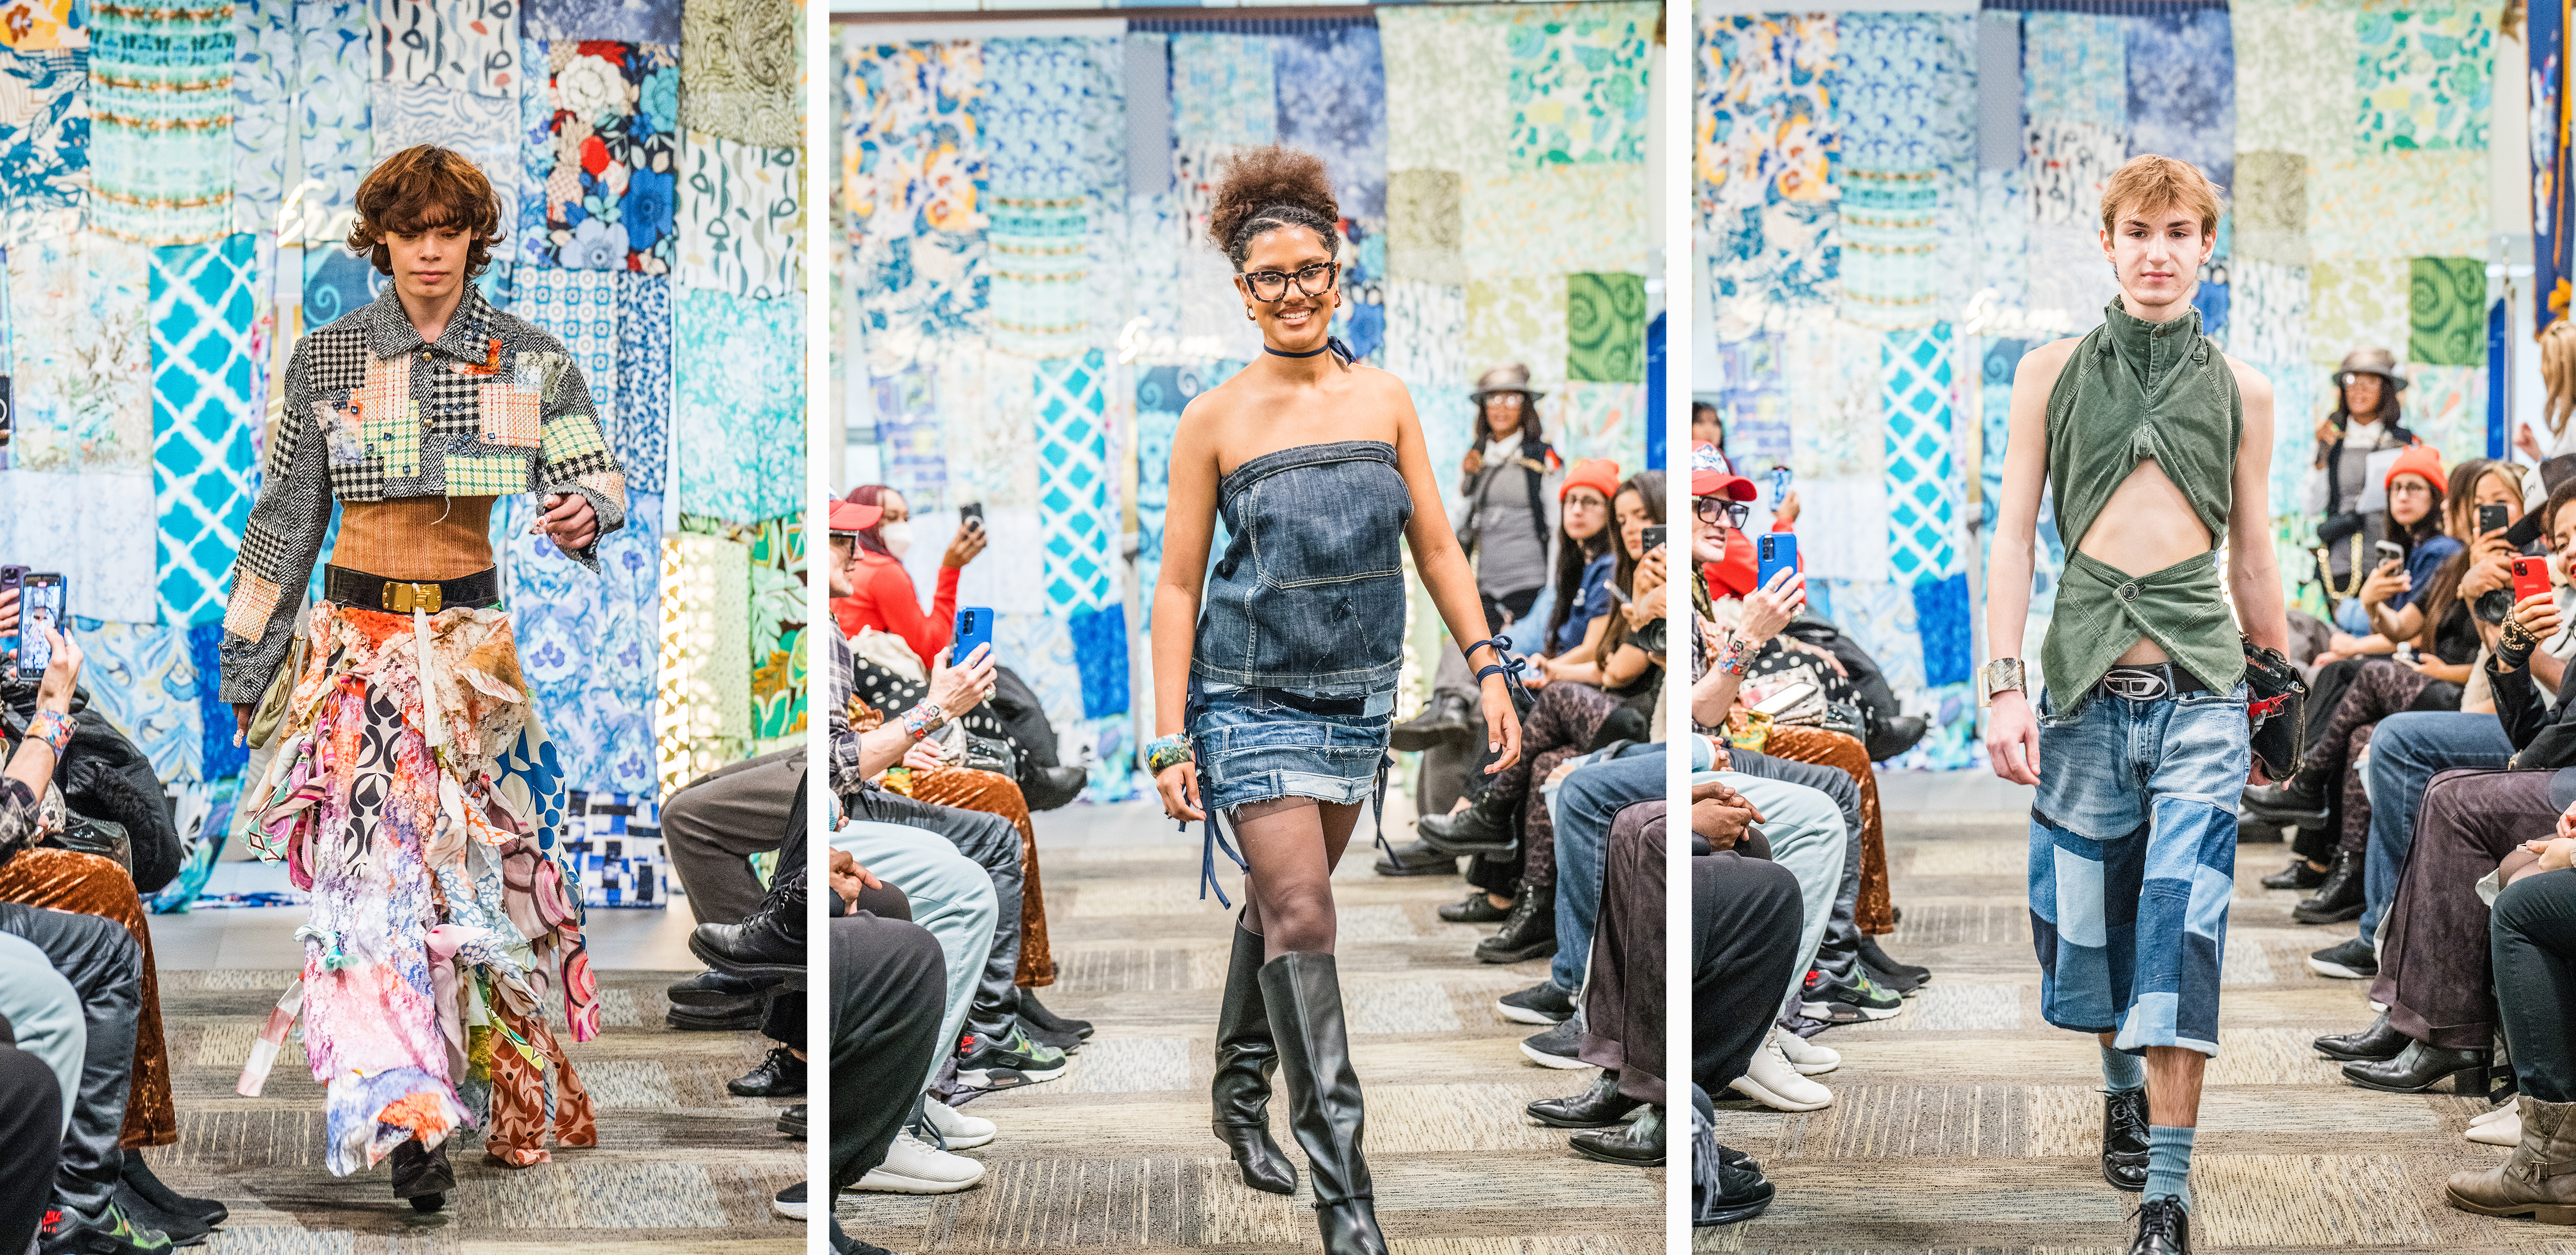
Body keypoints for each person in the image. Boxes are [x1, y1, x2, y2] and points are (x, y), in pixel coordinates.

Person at [217, 144, 615, 1205]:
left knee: (477, 885)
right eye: (410, 232)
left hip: (475, 668)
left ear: (473, 240)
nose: (430, 250)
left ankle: (457, 1081)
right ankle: (408, 1123)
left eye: (449, 231)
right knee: (369, 888)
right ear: (381, 240)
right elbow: (284, 525)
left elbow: (590, 473)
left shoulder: (523, 360)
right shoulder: (332, 359)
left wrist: (586, 511)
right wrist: (249, 660)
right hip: (358, 659)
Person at [1148, 144, 1524, 1255]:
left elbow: (1440, 549)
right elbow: (1175, 587)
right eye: (1270, 277)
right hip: (1248, 699)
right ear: (1241, 291)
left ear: (1338, 271)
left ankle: (1233, 1093)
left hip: (1356, 700)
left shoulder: (1385, 398)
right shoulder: (1213, 419)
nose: (1295, 291)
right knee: (1307, 912)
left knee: (1279, 905)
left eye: (1312, 270)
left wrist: (1489, 666)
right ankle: (1344, 1196)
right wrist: (1168, 734)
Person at [1982, 155, 2285, 1255]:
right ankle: (2118, 1081)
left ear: (2206, 249)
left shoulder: (2243, 391)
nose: (2156, 251)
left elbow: (2252, 558)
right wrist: (2002, 684)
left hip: (2200, 690)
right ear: (2105, 245)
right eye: (2136, 231)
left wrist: (2275, 685)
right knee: (2083, 926)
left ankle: (2165, 1194)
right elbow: (2011, 537)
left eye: (2177, 232)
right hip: (2076, 693)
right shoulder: (2046, 372)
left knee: (2180, 922)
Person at [1383, 362, 1560, 752]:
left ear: (1525, 406)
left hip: (1530, 587)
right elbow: (1456, 524)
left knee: (1498, 649)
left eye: (1511, 397)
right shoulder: (1477, 458)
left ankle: (1457, 708)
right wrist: (1467, 481)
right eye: (1491, 399)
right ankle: (1448, 706)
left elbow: (1559, 530)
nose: (1500, 406)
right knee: (1461, 645)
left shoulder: (1542, 458)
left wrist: (1551, 595)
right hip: (1486, 583)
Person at [2306, 348, 2420, 636]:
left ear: (2387, 390)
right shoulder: (2330, 441)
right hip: (2341, 561)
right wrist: (2321, 458)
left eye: (2371, 381)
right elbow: (2310, 505)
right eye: (2352, 380)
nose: (2359, 389)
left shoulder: (2406, 442)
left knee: (2385, 634)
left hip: (2390, 554)